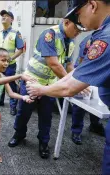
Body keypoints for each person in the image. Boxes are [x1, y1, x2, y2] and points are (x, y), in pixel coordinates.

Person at [25, 0, 110, 173]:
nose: (80, 26)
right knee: (23, 115)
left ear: (92, 6)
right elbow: (61, 67)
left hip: (46, 85)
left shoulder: (105, 37)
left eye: (78, 15)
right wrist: (66, 83)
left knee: (45, 119)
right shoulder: (51, 35)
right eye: (76, 22)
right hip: (34, 79)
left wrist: (44, 90)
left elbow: (70, 78)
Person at [8, 15, 82, 159]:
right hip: (32, 81)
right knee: (23, 112)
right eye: (77, 29)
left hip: (50, 85)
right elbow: (53, 64)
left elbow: (68, 65)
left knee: (46, 116)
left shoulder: (71, 42)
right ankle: (19, 134)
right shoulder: (49, 34)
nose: (78, 33)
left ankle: (43, 142)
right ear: (66, 22)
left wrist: (78, 79)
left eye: (80, 31)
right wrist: (72, 83)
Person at [71, 35, 105, 145]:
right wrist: (82, 80)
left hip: (99, 73)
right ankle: (76, 131)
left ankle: (94, 125)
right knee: (81, 101)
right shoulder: (92, 39)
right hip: (84, 71)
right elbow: (82, 60)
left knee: (97, 101)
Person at [0, 10, 24, 115]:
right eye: (2, 16)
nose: (3, 17)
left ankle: (13, 106)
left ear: (12, 20)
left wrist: (11, 58)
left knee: (10, 83)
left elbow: (20, 49)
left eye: (6, 16)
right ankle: (0, 102)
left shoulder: (15, 33)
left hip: (9, 65)